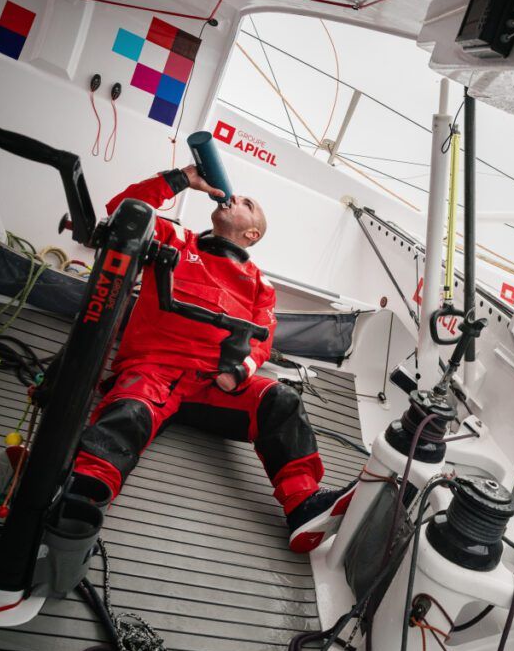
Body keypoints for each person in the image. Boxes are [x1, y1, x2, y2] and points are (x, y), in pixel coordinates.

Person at [71, 166, 355, 553]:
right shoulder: (174, 240)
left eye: (247, 203)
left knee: (282, 400)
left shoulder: (260, 285)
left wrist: (239, 372)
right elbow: (124, 213)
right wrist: (180, 179)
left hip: (214, 388)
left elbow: (262, 340)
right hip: (153, 370)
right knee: (129, 411)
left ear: (251, 234)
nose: (234, 197)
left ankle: (304, 505)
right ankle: (80, 498)